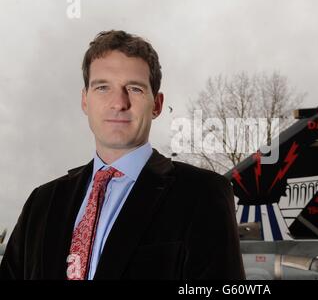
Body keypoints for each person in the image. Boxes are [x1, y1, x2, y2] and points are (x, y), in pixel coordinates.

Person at [0, 30, 245, 280]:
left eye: (134, 89)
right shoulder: (41, 203)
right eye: (103, 87)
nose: (119, 102)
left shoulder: (203, 194)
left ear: (157, 105)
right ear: (85, 101)